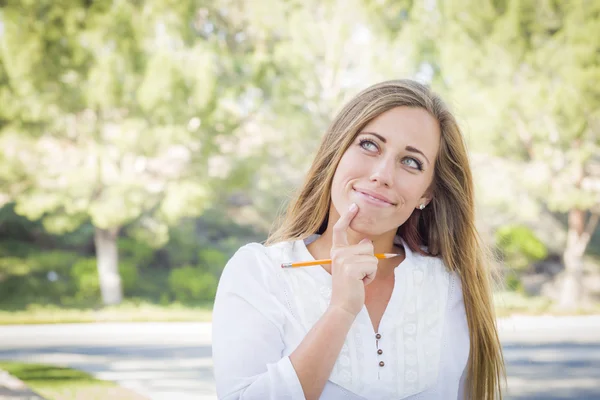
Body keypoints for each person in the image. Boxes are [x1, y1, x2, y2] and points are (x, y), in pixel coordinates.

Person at [211, 79, 505, 400]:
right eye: (369, 145)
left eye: (411, 161)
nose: (382, 174)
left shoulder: (452, 285)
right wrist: (340, 311)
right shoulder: (261, 273)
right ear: (337, 151)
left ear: (427, 192)